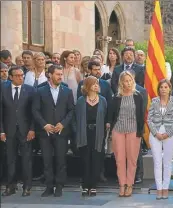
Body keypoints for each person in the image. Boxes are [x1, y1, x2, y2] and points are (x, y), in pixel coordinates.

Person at [32, 64, 75, 197]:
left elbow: (71, 110)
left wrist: (63, 124)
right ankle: (49, 186)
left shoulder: (67, 91)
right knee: (47, 160)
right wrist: (44, 125)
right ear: (50, 75)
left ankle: (59, 186)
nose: (60, 77)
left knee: (61, 160)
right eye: (57, 74)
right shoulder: (40, 91)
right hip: (45, 132)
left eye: (61, 74)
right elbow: (35, 110)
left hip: (61, 132)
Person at [107, 70, 144, 197]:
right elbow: (111, 115)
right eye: (125, 81)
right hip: (118, 130)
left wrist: (141, 132)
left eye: (130, 80)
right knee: (120, 160)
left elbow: (141, 115)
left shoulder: (138, 96)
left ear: (132, 81)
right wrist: (110, 128)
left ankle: (130, 185)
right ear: (121, 83)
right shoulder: (116, 97)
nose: (128, 83)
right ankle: (122, 185)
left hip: (133, 131)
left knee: (132, 160)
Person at [1, 66, 35, 197]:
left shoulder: (30, 90)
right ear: (10, 77)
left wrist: (32, 129)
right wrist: (1, 131)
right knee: (10, 158)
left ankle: (27, 187)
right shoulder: (3, 89)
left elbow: (33, 112)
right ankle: (11, 186)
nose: (21, 78)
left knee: (26, 159)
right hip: (9, 130)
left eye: (22, 75)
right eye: (18, 76)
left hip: (25, 130)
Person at [76, 76, 109, 197]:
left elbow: (106, 117)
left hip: (98, 133)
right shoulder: (81, 100)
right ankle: (85, 186)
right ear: (88, 85)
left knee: (96, 160)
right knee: (85, 160)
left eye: (97, 84)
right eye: (94, 83)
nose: (96, 85)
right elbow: (76, 118)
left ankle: (93, 186)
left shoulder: (103, 100)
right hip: (84, 133)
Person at [148, 79, 173, 199]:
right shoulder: (154, 100)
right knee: (157, 161)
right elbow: (149, 119)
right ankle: (159, 188)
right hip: (155, 133)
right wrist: (156, 133)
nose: (163, 89)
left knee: (167, 162)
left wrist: (168, 133)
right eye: (161, 87)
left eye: (166, 87)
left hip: (170, 134)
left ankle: (165, 188)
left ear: (170, 89)